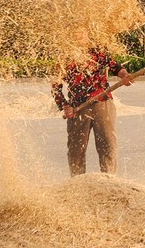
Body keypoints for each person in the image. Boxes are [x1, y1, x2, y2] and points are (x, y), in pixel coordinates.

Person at [52, 46, 133, 176]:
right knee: (76, 150)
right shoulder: (63, 57)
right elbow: (55, 87)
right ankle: (77, 183)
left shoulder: (97, 52)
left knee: (108, 145)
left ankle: (109, 180)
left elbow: (115, 67)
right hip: (77, 108)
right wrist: (65, 106)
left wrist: (124, 76)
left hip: (103, 102)